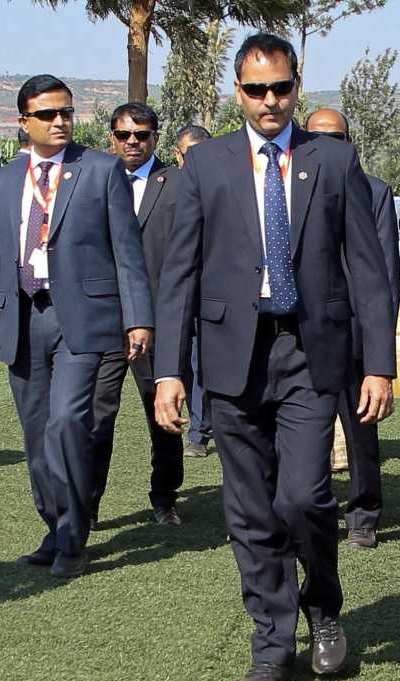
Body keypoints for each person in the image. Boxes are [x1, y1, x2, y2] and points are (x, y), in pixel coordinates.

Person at [152, 33, 396, 681]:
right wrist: (172, 371)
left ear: (296, 87)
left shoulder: (333, 162)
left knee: (305, 496)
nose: (269, 101)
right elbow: (177, 278)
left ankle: (324, 609)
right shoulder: (205, 167)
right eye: (256, 90)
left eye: (280, 88)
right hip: (233, 358)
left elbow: (370, 275)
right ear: (238, 92)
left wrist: (379, 364)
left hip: (309, 353)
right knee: (251, 510)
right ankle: (269, 645)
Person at [0, 75, 153, 579]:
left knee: (66, 425)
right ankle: (55, 527)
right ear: (24, 123)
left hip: (85, 322)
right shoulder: (8, 179)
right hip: (22, 321)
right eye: (48, 115)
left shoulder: (100, 170)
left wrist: (139, 319)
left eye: (66, 113)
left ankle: (74, 538)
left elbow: (129, 254)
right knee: (37, 437)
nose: (60, 122)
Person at [304, 107, 400, 551]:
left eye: (336, 138)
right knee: (304, 431)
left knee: (360, 433)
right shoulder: (285, 188)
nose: (326, 146)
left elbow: (382, 274)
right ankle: (309, 511)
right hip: (302, 334)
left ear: (351, 142)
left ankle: (364, 513)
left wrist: (375, 349)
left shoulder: (374, 191)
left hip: (354, 337)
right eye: (316, 137)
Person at [87, 102, 186, 527]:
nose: (132, 142)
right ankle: (86, 505)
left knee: (163, 416)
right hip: (104, 323)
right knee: (95, 418)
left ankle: (165, 498)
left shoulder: (180, 184)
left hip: (160, 323)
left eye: (141, 135)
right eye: (123, 135)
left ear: (155, 138)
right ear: (111, 137)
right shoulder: (91, 181)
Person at [174, 123, 214, 459]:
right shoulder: (166, 191)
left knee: (202, 362)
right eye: (190, 155)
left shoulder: (223, 188)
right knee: (180, 361)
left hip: (212, 295)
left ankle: (199, 431)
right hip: (175, 295)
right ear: (178, 156)